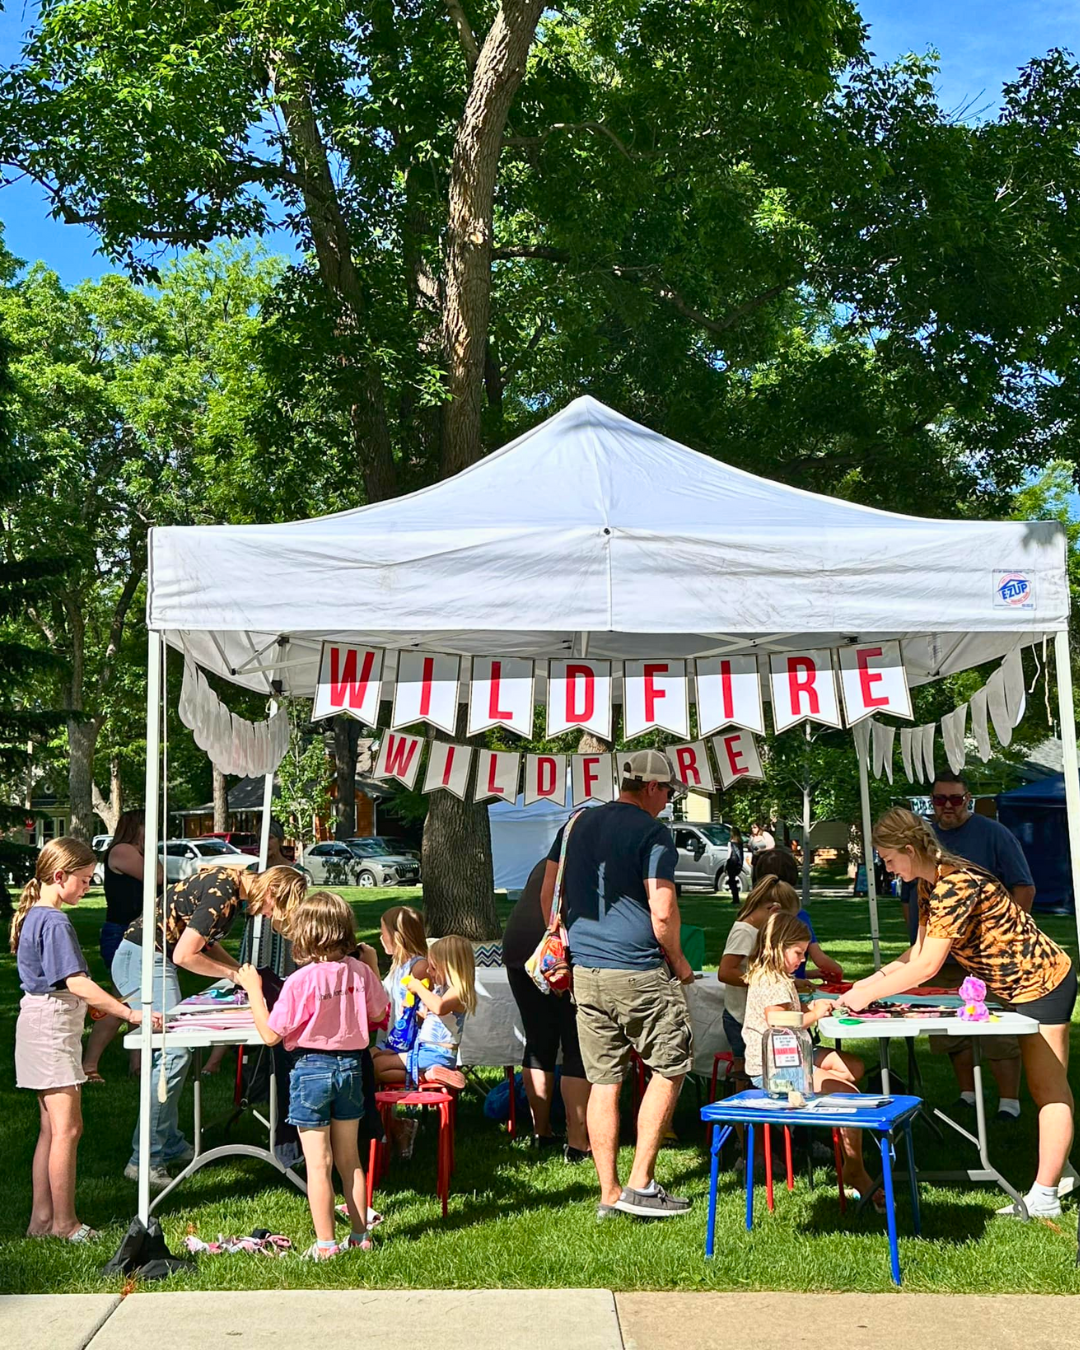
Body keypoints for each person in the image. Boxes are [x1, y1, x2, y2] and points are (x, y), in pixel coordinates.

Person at [844, 807, 1076, 1219]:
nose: (886, 866)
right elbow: (915, 954)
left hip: (1043, 980)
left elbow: (928, 967)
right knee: (1044, 1088)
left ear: (911, 849)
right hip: (1010, 985)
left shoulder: (954, 885)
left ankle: (1046, 1195)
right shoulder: (928, 883)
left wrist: (867, 994)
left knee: (1047, 1089)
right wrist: (864, 985)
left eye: (888, 857)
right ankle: (1058, 1167)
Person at [543, 748, 695, 1221]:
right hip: (640, 970)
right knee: (670, 1065)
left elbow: (550, 894)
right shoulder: (653, 833)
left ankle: (608, 1193)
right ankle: (640, 1183)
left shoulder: (576, 824)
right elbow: (664, 911)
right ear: (650, 787)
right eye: (667, 791)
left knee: (603, 1081)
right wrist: (680, 961)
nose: (668, 800)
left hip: (586, 973)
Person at [111, 862, 307, 1188]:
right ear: (272, 891)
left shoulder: (230, 887)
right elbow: (186, 955)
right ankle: (145, 1158)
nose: (272, 916)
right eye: (277, 908)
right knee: (172, 1053)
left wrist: (243, 971)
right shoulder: (224, 892)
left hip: (152, 954)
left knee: (174, 1053)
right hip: (146, 957)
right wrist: (233, 975)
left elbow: (204, 939)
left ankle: (169, 1141)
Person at [11, 838, 162, 1240]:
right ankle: (64, 1224)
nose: (88, 887)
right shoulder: (56, 921)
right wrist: (129, 1012)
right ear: (59, 877)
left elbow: (58, 982)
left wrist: (91, 1006)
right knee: (67, 1130)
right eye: (83, 880)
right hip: (51, 1029)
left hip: (39, 1022)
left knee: (51, 1129)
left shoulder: (36, 915)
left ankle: (41, 1222)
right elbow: (76, 981)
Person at [237, 891, 389, 1259]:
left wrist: (255, 991)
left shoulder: (300, 981)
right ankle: (360, 1234)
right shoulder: (360, 972)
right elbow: (379, 1011)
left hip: (310, 1070)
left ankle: (326, 1244)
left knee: (318, 1164)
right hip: (352, 1066)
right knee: (349, 1158)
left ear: (304, 933)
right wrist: (369, 968)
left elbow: (272, 1034)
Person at [900, 777, 1034, 1123]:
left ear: (968, 799)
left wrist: (1004, 939)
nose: (947, 806)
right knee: (949, 1028)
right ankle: (967, 1095)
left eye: (955, 799)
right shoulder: (924, 838)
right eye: (939, 799)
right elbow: (908, 899)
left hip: (986, 955)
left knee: (998, 1028)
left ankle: (1009, 1104)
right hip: (940, 953)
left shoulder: (995, 834)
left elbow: (1024, 888)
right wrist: (919, 941)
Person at [743, 911, 877, 1203]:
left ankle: (833, 1124)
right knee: (849, 1096)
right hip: (777, 1067)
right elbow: (778, 1020)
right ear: (777, 946)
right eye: (798, 952)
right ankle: (855, 1169)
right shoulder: (772, 981)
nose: (802, 960)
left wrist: (811, 1005)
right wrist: (814, 1014)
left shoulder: (778, 975)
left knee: (852, 1068)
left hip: (792, 1053)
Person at [502, 858, 591, 1161]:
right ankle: (578, 1142)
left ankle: (542, 1131)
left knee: (539, 1041)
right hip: (558, 952)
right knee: (576, 1044)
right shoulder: (591, 862)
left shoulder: (549, 859)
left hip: (519, 948)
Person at [82, 810, 162, 1083]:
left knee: (138, 998)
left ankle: (137, 1065)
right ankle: (89, 1065)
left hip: (138, 932)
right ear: (135, 827)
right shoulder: (123, 850)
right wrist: (150, 849)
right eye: (147, 825)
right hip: (123, 934)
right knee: (121, 1001)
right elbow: (157, 877)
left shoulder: (132, 851)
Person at [717, 875, 799, 1075]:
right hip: (740, 1016)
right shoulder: (746, 931)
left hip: (750, 1014)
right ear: (774, 911)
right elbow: (726, 972)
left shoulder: (757, 931)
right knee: (748, 1071)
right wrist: (763, 983)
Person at [377, 935, 476, 1091]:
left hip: (439, 1054)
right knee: (378, 1057)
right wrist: (413, 1012)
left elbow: (439, 1007)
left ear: (451, 968)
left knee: (379, 1066)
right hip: (426, 1050)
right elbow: (433, 1017)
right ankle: (428, 1073)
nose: (429, 972)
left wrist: (419, 988)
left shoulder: (458, 991)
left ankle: (426, 1076)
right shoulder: (441, 990)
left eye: (434, 968)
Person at [371, 904, 430, 1156]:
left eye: (383, 932)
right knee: (363, 1061)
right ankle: (392, 1127)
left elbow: (424, 1007)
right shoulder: (398, 967)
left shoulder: (419, 966)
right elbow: (382, 998)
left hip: (410, 1044)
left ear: (396, 936)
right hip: (394, 1040)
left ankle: (391, 1128)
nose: (380, 937)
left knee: (368, 1066)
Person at [751, 846, 843, 983]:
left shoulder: (754, 915)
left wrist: (811, 974)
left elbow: (772, 968)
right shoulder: (798, 914)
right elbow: (819, 958)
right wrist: (838, 971)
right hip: (787, 991)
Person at [725, 830, 744, 906]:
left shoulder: (731, 842)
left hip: (732, 861)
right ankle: (736, 898)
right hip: (737, 862)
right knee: (733, 880)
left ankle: (735, 898)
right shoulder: (740, 842)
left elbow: (729, 853)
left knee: (731, 880)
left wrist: (726, 863)